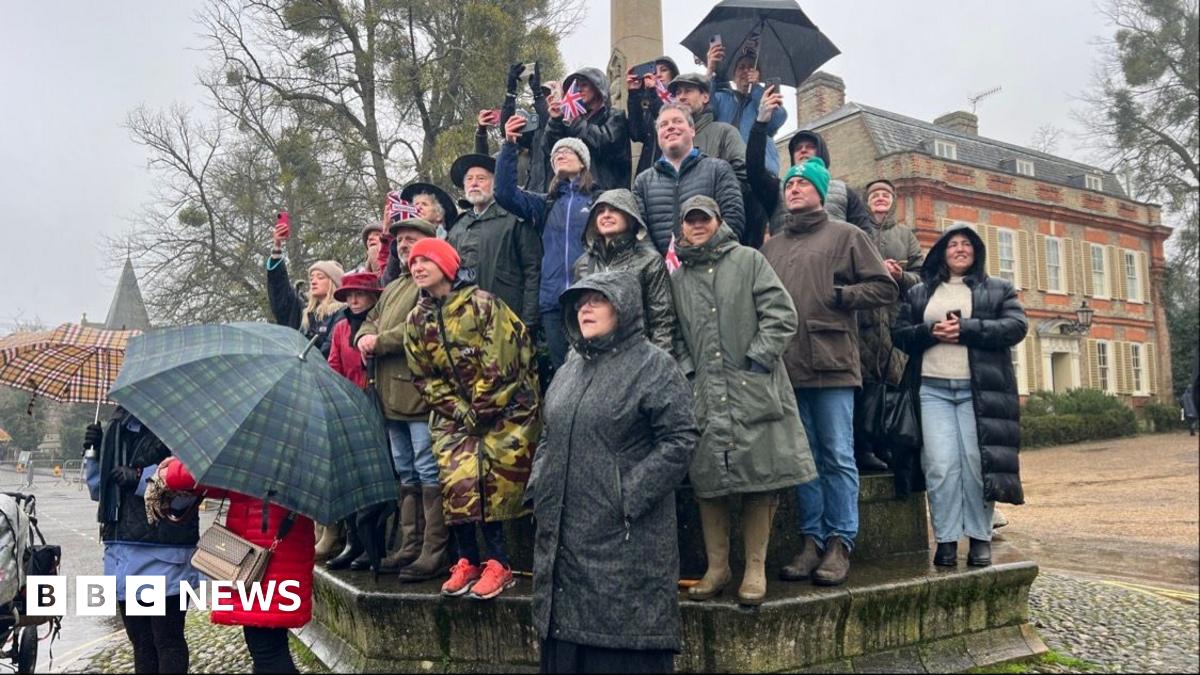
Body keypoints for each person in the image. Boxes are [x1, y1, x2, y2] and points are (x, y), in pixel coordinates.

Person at [531, 271, 698, 674]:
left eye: (597, 300)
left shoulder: (654, 365)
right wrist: (539, 486)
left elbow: (681, 438)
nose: (584, 307)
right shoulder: (570, 368)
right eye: (580, 301)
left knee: (618, 645)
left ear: (624, 307)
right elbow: (549, 434)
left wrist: (628, 494)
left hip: (624, 542)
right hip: (564, 539)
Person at [670, 196, 816, 606]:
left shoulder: (749, 260)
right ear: (682, 227)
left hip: (752, 386)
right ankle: (718, 568)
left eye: (704, 219)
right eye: (690, 220)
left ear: (718, 222)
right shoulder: (678, 278)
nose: (697, 226)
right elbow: (675, 334)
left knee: (760, 478)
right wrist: (688, 371)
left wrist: (757, 360)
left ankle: (754, 568)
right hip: (704, 392)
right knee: (708, 481)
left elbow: (782, 313)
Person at [762, 157, 897, 586]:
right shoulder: (772, 247)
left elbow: (885, 286)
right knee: (805, 460)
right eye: (790, 184)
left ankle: (841, 540)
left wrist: (841, 295)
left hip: (834, 363)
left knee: (838, 455)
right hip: (788, 366)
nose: (795, 188)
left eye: (803, 183)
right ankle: (812, 539)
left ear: (822, 192)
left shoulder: (847, 235)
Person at [403, 238, 540, 600]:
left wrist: (480, 408)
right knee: (456, 481)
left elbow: (506, 359)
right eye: (414, 263)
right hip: (455, 414)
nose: (417, 267)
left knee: (491, 481)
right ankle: (467, 560)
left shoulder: (483, 304)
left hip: (506, 409)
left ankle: (500, 563)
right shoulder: (417, 319)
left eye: (426, 262)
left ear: (446, 266)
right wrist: (458, 409)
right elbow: (423, 376)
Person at [892, 224, 1028, 568]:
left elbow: (1016, 327)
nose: (960, 249)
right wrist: (929, 331)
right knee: (939, 467)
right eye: (953, 244)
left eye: (967, 244)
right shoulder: (921, 292)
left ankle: (980, 538)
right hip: (932, 390)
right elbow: (900, 334)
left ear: (977, 251)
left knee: (975, 464)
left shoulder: (998, 289)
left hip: (978, 392)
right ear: (942, 251)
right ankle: (947, 539)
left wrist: (966, 329)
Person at [159, 456, 314, 674]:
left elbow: (199, 471)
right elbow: (226, 485)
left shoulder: (258, 446)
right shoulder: (300, 453)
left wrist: (171, 468)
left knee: (267, 650)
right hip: (281, 553)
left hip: (262, 559)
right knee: (268, 645)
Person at [357, 219, 443, 577]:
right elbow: (370, 320)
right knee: (406, 471)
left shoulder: (429, 284)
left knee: (427, 469)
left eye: (412, 239)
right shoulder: (393, 287)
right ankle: (410, 545)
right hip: (389, 396)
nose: (405, 246)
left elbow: (417, 326)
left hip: (418, 395)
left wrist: (379, 341)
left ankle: (433, 549)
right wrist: (364, 336)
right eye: (401, 241)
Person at [83, 412, 198, 674]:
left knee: (166, 641)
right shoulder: (116, 429)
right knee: (141, 642)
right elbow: (98, 490)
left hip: (163, 553)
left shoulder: (179, 427)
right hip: (121, 551)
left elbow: (192, 483)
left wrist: (141, 478)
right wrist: (94, 454)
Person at [497, 115, 598, 372]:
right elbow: (505, 194)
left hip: (590, 296)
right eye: (555, 154)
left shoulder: (600, 200)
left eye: (567, 151)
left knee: (595, 369)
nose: (559, 155)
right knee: (563, 373)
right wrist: (509, 145)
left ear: (583, 162)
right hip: (554, 303)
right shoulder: (545, 204)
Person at [853, 179, 927, 474]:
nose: (880, 199)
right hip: (864, 318)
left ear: (893, 201)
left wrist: (900, 276)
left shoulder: (905, 234)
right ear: (867, 201)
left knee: (892, 383)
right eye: (875, 195)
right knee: (864, 383)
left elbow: (922, 276)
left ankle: (886, 445)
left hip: (895, 316)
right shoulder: (857, 231)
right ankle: (865, 447)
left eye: (885, 195)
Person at [571, 189, 675, 353]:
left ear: (631, 217)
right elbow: (576, 326)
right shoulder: (582, 265)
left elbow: (662, 321)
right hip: (596, 360)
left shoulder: (649, 261)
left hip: (639, 357)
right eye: (600, 212)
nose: (606, 215)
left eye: (614, 210)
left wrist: (658, 367)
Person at [447, 152, 543, 329]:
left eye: (481, 178)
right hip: (465, 323)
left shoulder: (514, 218)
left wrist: (528, 322)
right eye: (469, 179)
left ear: (494, 183)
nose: (474, 183)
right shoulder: (457, 227)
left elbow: (533, 270)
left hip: (507, 320)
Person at [633, 102, 745, 254]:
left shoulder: (718, 169)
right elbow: (640, 232)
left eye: (677, 121)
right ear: (658, 135)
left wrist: (705, 256)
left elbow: (733, 218)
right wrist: (657, 267)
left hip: (710, 267)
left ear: (692, 130)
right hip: (663, 273)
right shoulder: (642, 182)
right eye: (663, 125)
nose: (670, 127)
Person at [266, 218, 345, 358]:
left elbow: (331, 350)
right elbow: (281, 295)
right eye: (312, 278)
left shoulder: (342, 313)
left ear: (333, 283)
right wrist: (277, 247)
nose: (314, 282)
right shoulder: (304, 313)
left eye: (320, 277)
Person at [706, 44, 787, 175]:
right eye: (741, 68)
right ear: (733, 75)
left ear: (758, 75)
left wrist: (755, 88)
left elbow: (776, 120)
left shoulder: (764, 98)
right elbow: (704, 108)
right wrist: (710, 70)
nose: (745, 71)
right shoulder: (722, 98)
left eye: (751, 68)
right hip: (727, 172)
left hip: (760, 171)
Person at [546, 67, 630, 191]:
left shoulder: (615, 116)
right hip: (573, 193)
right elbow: (550, 148)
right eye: (575, 86)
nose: (578, 90)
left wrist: (574, 120)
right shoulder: (571, 120)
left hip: (604, 195)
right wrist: (556, 120)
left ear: (598, 88)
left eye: (584, 85)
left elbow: (603, 142)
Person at [777, 129, 873, 234]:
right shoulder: (776, 189)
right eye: (798, 148)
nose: (803, 150)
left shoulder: (844, 190)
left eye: (810, 147)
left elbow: (864, 233)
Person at [475, 63, 553, 191]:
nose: (518, 128)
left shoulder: (543, 151)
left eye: (523, 124)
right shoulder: (504, 157)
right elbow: (481, 165)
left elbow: (548, 128)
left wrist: (538, 95)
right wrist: (510, 92)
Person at [667, 73, 747, 184]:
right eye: (678, 93)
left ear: (705, 97)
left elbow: (743, 174)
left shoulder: (724, 132)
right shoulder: (673, 141)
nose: (681, 97)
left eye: (688, 91)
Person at [327, 272, 383, 390]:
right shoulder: (341, 328)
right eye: (349, 295)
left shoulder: (384, 322)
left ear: (373, 296)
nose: (353, 301)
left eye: (360, 294)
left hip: (384, 395)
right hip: (351, 396)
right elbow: (334, 367)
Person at [627, 57, 681, 174]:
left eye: (664, 70)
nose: (659, 75)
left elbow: (664, 118)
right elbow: (635, 134)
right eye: (655, 72)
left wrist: (652, 93)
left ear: (673, 75)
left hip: (670, 169)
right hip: (647, 170)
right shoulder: (648, 103)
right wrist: (633, 93)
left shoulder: (680, 104)